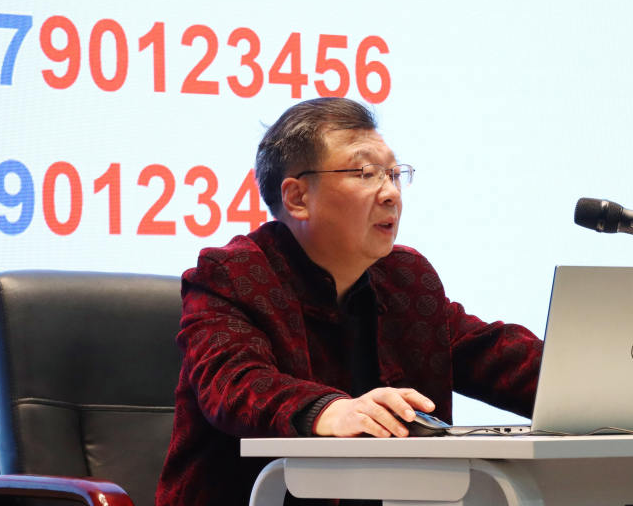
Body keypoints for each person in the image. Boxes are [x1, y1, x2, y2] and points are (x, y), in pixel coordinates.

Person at [155, 98, 543, 506]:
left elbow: (495, 356)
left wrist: (577, 379)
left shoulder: (406, 278)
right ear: (298, 197)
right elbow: (234, 383)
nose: (391, 193)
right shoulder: (232, 274)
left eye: (394, 174)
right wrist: (329, 410)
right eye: (366, 173)